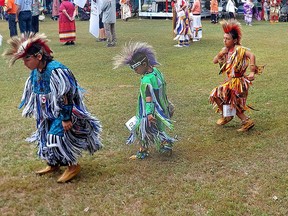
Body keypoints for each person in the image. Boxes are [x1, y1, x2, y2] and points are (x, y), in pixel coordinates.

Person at [2, 33, 102, 182]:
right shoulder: (35, 72)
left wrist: (66, 117)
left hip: (64, 112)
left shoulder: (56, 71)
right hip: (47, 113)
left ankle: (72, 166)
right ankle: (53, 163)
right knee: (44, 136)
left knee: (55, 136)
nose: (25, 63)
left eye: (27, 59)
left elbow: (66, 94)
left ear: (39, 56)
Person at [113, 42, 176, 159]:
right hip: (161, 107)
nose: (135, 71)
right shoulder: (156, 72)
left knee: (141, 128)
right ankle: (160, 146)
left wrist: (148, 114)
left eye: (136, 68)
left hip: (149, 112)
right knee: (156, 128)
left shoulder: (146, 80)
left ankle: (148, 150)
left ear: (144, 64)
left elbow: (148, 98)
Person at [210, 20, 264, 132]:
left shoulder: (239, 50)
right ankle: (228, 116)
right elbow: (215, 61)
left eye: (227, 39)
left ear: (234, 40)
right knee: (216, 95)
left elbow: (251, 55)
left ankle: (246, 121)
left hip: (239, 82)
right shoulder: (225, 51)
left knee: (233, 102)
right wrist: (221, 54)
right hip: (229, 81)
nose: (225, 41)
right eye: (224, 38)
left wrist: (252, 71)